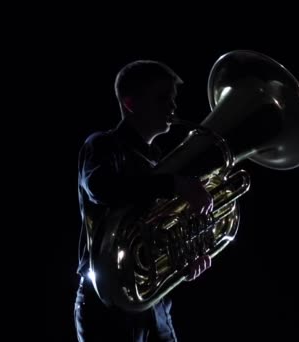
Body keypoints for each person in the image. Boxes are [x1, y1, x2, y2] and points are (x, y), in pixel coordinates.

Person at [74, 60, 214, 342]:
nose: (173, 107)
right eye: (162, 98)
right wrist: (172, 184)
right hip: (107, 302)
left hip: (155, 302)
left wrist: (182, 259)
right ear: (130, 103)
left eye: (173, 99)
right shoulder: (103, 145)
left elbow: (159, 232)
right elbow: (101, 188)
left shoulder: (161, 161)